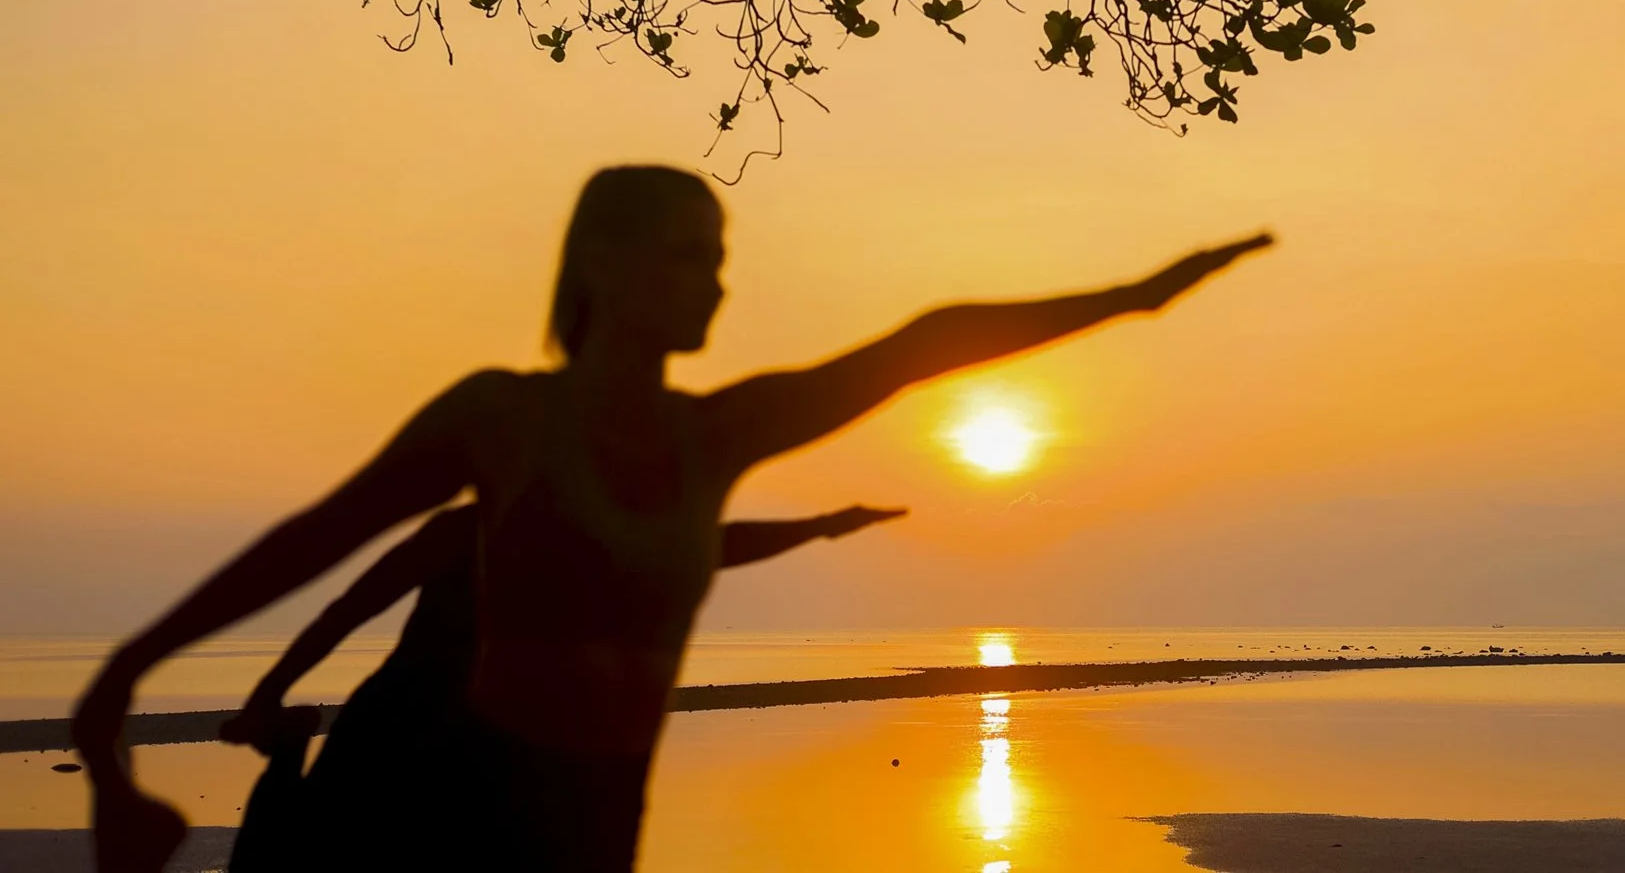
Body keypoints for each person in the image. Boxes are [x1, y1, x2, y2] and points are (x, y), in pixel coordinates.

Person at [73, 165, 1273, 873]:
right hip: (462, 803)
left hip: (604, 816)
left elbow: (917, 346)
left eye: (719, 255)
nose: (717, 280)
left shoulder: (719, 435)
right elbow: (322, 539)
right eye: (692, 255)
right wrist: (125, 670)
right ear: (603, 262)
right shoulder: (503, 417)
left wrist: (1136, 298)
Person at [218, 502, 904, 872]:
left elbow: (712, 544)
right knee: (299, 853)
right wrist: (266, 692)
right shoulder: (459, 532)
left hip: (478, 744)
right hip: (395, 718)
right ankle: (286, 745)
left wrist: (817, 528)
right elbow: (347, 610)